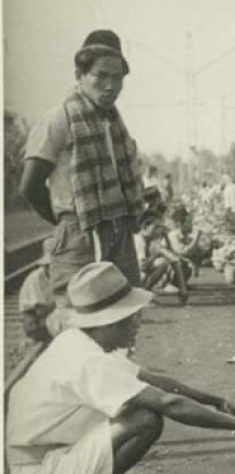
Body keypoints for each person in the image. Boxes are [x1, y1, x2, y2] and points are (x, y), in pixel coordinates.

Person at [5, 262, 235, 474]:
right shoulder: (89, 360)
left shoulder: (79, 341)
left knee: (138, 409)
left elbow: (156, 381)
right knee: (145, 418)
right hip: (37, 466)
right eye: (132, 317)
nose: (137, 324)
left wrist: (216, 400)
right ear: (109, 322)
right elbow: (169, 403)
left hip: (42, 453)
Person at [19, 30, 145, 310]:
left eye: (117, 77)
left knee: (123, 315)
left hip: (119, 230)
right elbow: (30, 185)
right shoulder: (59, 120)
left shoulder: (114, 125)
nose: (110, 85)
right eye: (101, 76)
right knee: (78, 318)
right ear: (80, 74)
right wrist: (66, 223)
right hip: (79, 231)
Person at [19, 239, 68, 344]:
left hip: (49, 316)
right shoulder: (36, 279)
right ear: (46, 266)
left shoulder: (56, 275)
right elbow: (41, 311)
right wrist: (63, 300)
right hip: (35, 322)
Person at [134, 211, 189, 303]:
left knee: (164, 262)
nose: (159, 231)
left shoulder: (153, 241)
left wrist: (183, 288)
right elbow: (142, 266)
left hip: (140, 275)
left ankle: (145, 294)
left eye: (160, 227)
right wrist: (156, 254)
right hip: (131, 277)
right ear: (144, 227)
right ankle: (141, 298)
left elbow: (175, 261)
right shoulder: (138, 239)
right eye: (155, 227)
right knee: (148, 271)